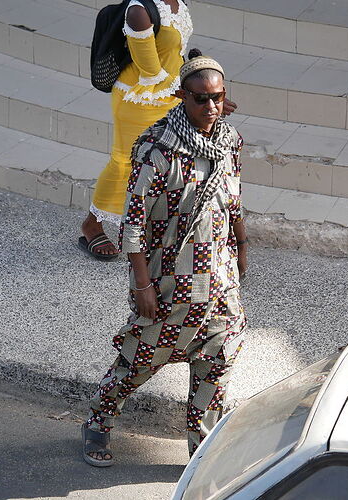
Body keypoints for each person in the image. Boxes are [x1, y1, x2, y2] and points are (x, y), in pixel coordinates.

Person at [81, 53, 248, 466]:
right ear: (181, 97)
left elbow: (234, 197)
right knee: (139, 359)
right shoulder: (158, 150)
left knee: (218, 360)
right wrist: (142, 285)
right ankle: (98, 421)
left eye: (218, 97)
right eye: (200, 99)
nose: (211, 108)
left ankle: (202, 452)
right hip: (172, 280)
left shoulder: (229, 141)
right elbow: (132, 224)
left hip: (220, 280)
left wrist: (242, 245)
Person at [79, 0, 237, 260]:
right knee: (126, 163)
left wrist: (205, 92)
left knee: (177, 163)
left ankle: (167, 229)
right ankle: (92, 224)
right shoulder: (139, 11)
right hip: (141, 98)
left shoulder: (177, 1)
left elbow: (176, 55)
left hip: (178, 93)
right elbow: (151, 71)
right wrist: (202, 95)